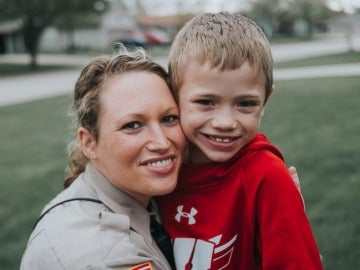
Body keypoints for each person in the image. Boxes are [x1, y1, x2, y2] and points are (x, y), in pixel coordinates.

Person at [157, 12, 323, 269]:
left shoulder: (266, 176)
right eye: (206, 102)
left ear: (265, 101)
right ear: (174, 94)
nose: (225, 122)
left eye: (245, 104)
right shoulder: (159, 166)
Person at [20, 49, 186, 270]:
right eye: (133, 125)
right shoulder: (106, 256)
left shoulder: (130, 192)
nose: (162, 142)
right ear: (88, 143)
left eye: (169, 118)